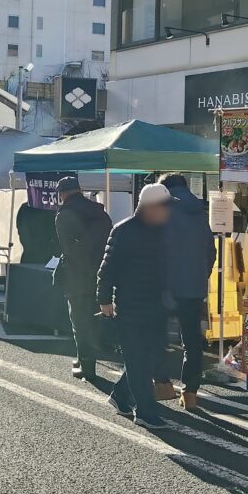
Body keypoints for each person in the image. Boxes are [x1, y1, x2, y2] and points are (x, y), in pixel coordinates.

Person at [96, 182, 172, 428]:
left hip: (156, 305)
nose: (168, 212)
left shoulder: (163, 230)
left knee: (150, 357)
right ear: (150, 207)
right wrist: (104, 300)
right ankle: (146, 411)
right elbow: (107, 270)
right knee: (138, 358)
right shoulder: (124, 230)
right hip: (129, 305)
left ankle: (120, 394)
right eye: (164, 207)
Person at [158, 174, 217, 411]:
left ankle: (162, 384)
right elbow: (210, 252)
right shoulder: (199, 213)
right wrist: (200, 276)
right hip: (193, 288)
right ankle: (190, 392)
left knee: (155, 336)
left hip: (165, 286)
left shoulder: (163, 210)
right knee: (192, 342)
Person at [53, 176, 112, 381]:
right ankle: (82, 357)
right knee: (95, 319)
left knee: (80, 321)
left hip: (78, 276)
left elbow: (68, 249)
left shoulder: (64, 215)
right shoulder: (99, 211)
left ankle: (87, 366)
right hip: (102, 274)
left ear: (62, 194)